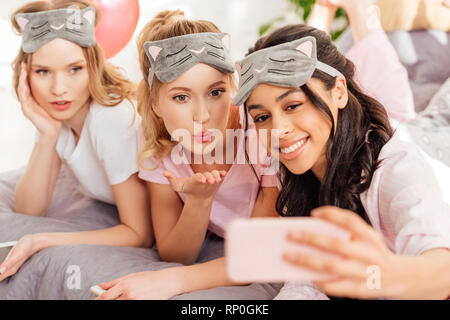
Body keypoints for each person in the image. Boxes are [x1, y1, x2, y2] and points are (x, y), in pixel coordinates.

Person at [234, 0, 450, 300]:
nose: (277, 130)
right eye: (261, 117)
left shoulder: (396, 170)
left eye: (293, 105)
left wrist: (392, 276)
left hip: (436, 145)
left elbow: (443, 270)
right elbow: (308, 281)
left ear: (339, 91)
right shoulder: (297, 172)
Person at [95, 10, 281, 300]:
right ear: (155, 103)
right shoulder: (159, 147)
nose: (202, 115)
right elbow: (175, 253)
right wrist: (199, 201)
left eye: (216, 92)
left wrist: (170, 282)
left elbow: (259, 254)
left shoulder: (261, 133)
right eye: (181, 97)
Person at [0, 0, 153, 282]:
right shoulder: (59, 114)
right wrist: (47, 135)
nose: (59, 89)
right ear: (25, 74)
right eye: (43, 72)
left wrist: (41, 240)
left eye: (74, 69)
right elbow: (29, 210)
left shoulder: (110, 119)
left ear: (93, 67)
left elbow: (140, 233)